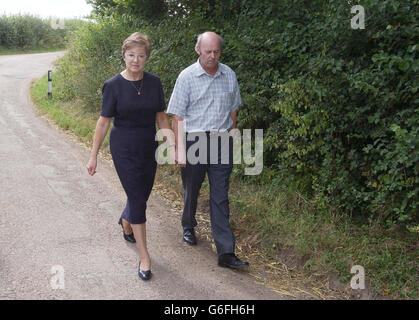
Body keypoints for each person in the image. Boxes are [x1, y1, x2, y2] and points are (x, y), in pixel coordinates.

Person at [86, 32, 174, 280]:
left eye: (141, 55)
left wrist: (173, 146)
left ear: (147, 57)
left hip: (148, 146)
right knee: (136, 197)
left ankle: (126, 221)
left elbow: (160, 117)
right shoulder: (113, 85)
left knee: (141, 196)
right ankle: (145, 256)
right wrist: (93, 156)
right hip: (123, 148)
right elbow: (103, 123)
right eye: (131, 55)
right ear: (123, 55)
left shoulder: (154, 83)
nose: (136, 60)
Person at [167, 31, 249, 269]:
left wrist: (230, 136)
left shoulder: (229, 74)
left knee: (220, 197)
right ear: (198, 50)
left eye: (216, 52)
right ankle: (188, 225)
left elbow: (233, 111)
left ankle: (225, 252)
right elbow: (177, 116)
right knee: (191, 190)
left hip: (221, 141)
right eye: (208, 52)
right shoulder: (187, 77)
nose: (212, 56)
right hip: (194, 140)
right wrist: (180, 149)